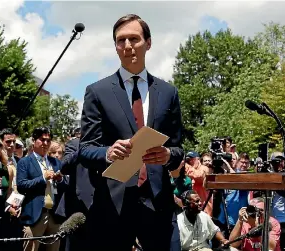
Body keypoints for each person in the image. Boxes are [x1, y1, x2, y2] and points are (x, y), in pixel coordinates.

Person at [79, 14, 184, 251]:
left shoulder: (168, 92)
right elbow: (85, 149)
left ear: (148, 43)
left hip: (157, 201)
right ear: (115, 46)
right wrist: (108, 152)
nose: (127, 46)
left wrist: (168, 155)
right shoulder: (97, 92)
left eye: (134, 39)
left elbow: (179, 148)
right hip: (113, 202)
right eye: (120, 40)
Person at [16, 126, 66, 251]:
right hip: (35, 215)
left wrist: (60, 180)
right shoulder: (25, 162)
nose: (45, 143)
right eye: (42, 140)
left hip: (54, 215)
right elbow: (21, 186)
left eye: (48, 140)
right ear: (33, 140)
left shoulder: (56, 162)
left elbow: (65, 187)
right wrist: (42, 178)